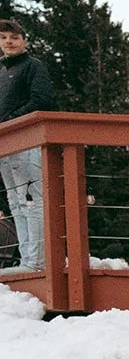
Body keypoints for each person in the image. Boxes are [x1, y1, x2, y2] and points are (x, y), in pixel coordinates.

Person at [0, 18, 54, 272]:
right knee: (14, 201)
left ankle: (38, 261)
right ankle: (26, 259)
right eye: (3, 38)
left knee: (31, 200)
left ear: (25, 41)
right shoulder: (1, 70)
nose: (8, 42)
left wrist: (10, 122)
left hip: (28, 140)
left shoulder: (33, 67)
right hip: (4, 144)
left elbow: (42, 100)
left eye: (14, 38)